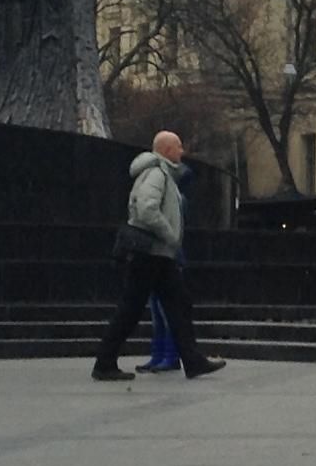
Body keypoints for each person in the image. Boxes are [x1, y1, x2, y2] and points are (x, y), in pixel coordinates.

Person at [95, 132, 223, 383]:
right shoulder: (157, 173)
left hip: (158, 255)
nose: (182, 151)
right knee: (133, 308)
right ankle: (104, 362)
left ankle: (193, 360)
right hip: (152, 253)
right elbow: (146, 208)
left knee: (178, 304)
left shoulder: (161, 173)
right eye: (178, 146)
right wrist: (170, 235)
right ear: (166, 150)